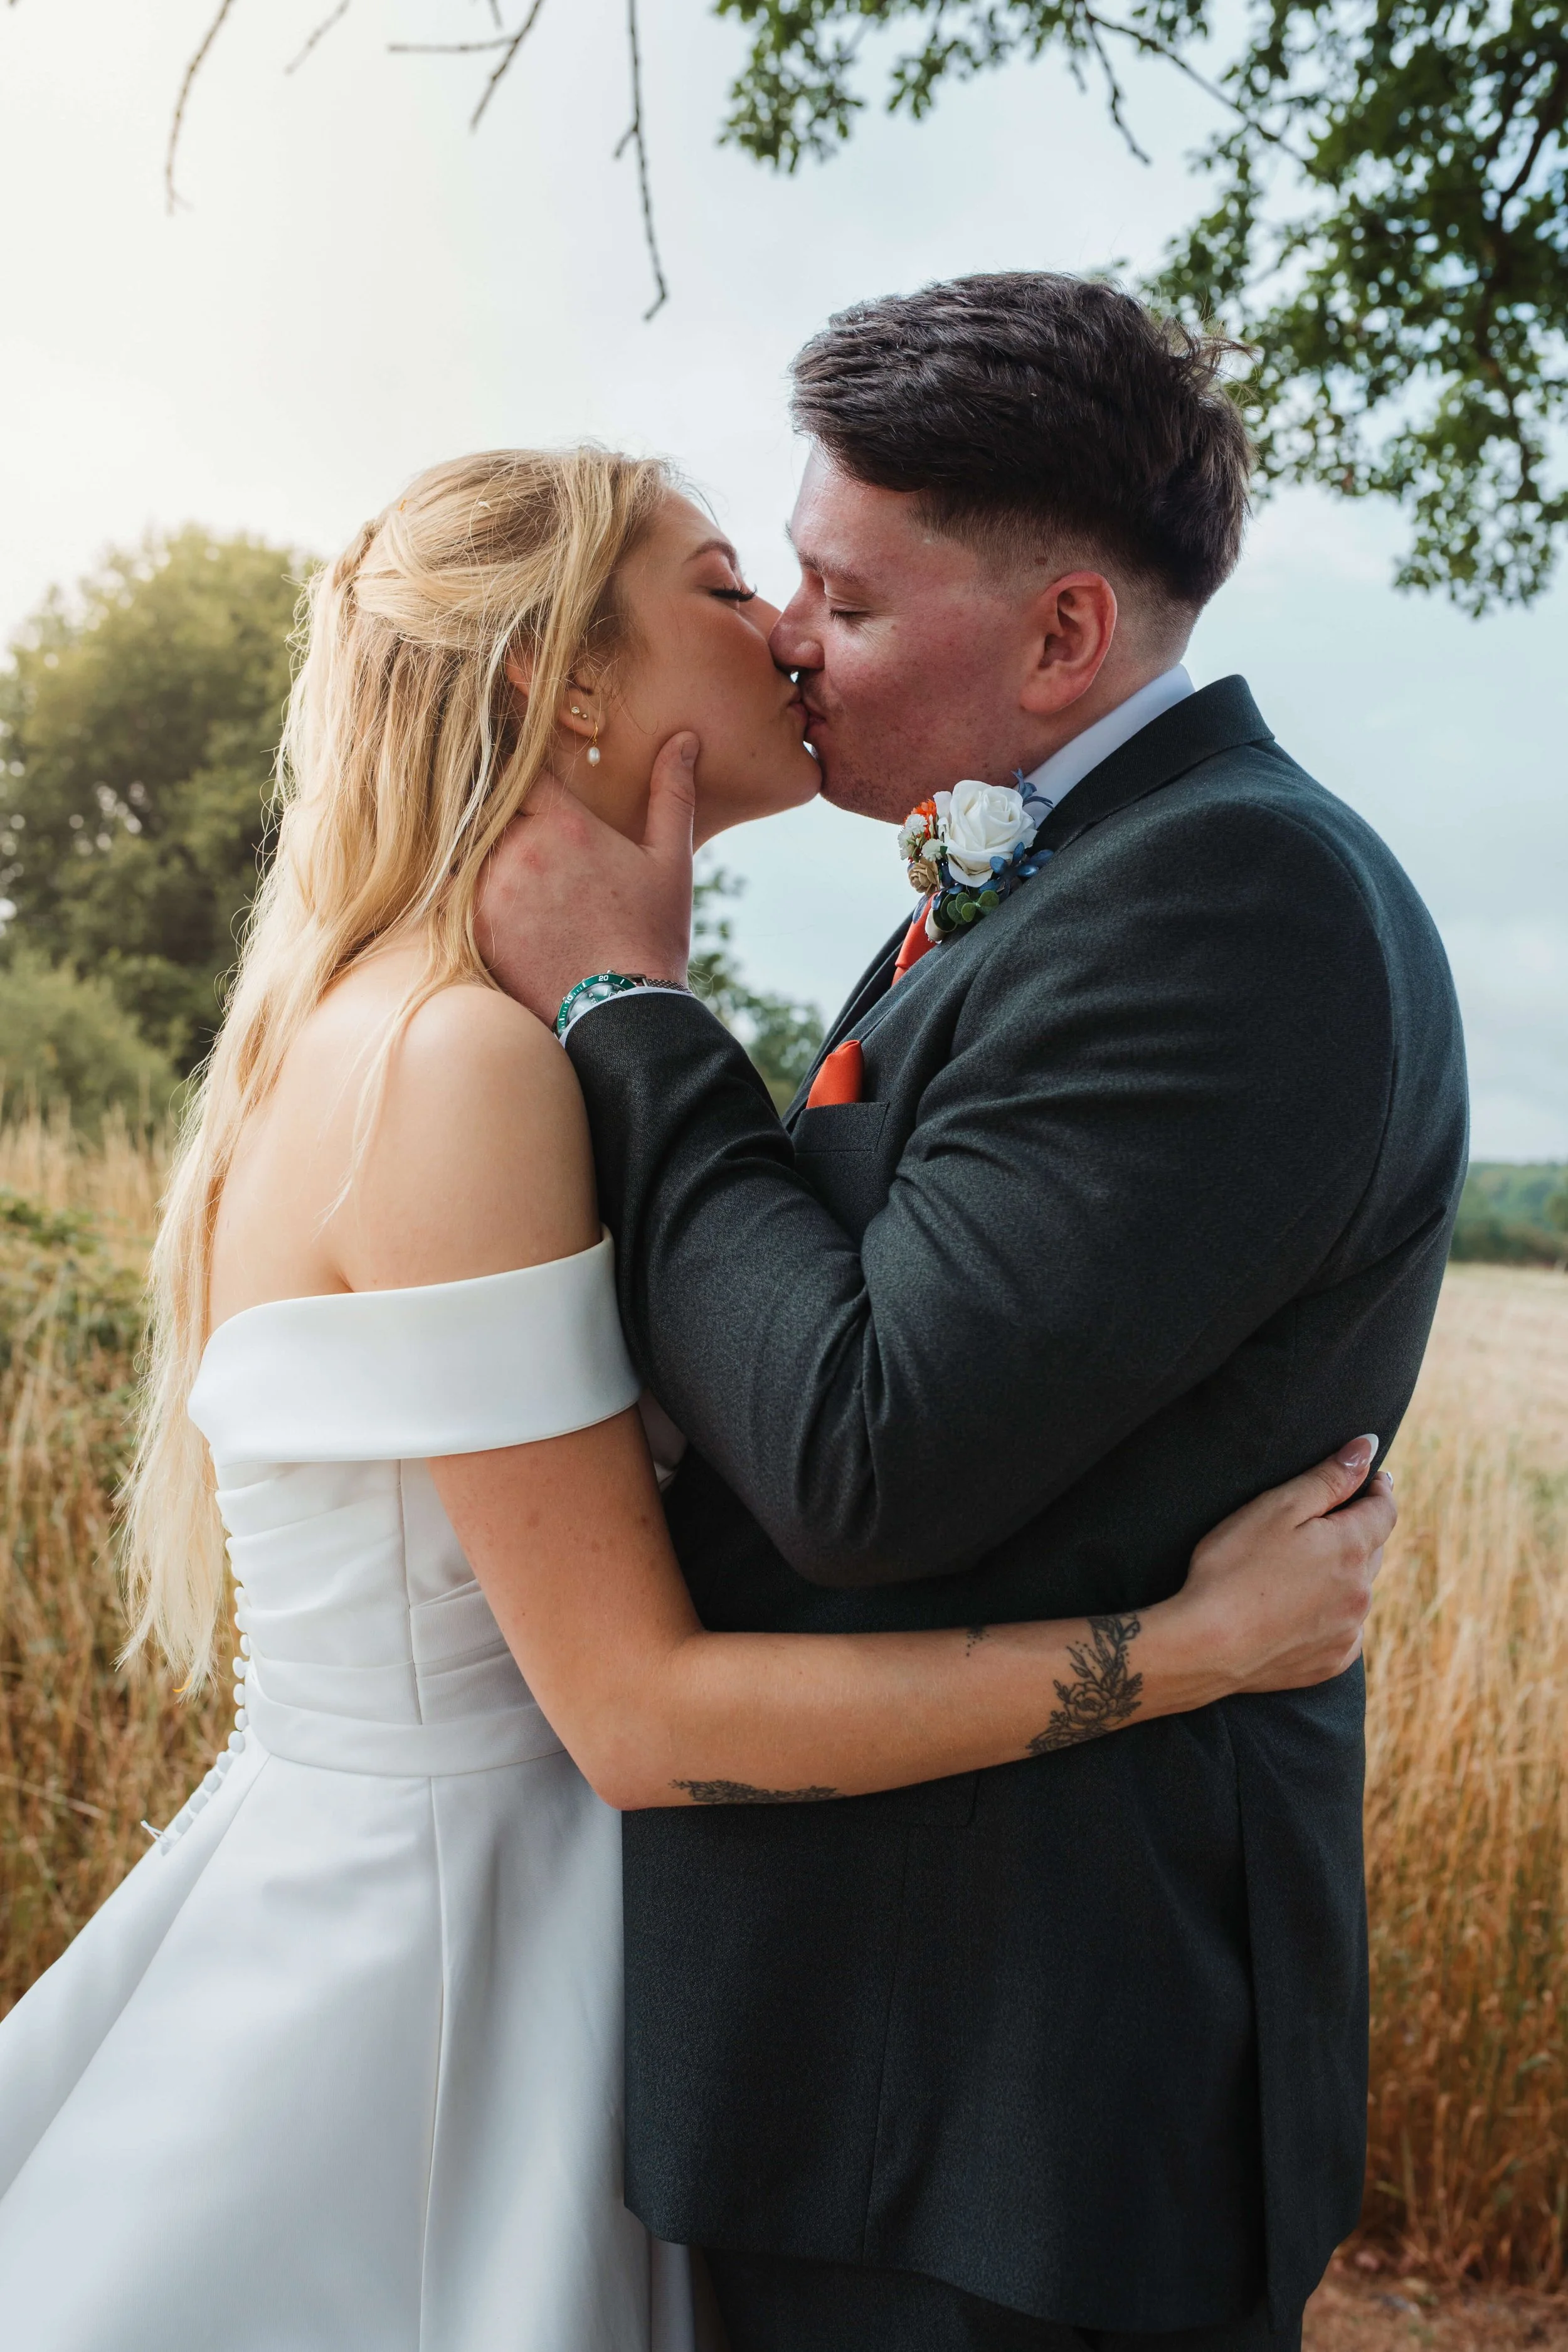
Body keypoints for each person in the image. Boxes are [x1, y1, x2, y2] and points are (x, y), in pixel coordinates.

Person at [0, 445, 1394, 2352]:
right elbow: (641, 1713)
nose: (788, 636)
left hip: (499, 1941)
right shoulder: (459, 1065)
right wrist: (1194, 1644)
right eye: (731, 583)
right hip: (440, 2009)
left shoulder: (407, 1025)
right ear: (562, 684)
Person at [477, 276, 1470, 2352]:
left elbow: (863, 1445)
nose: (783, 640)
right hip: (883, 2069)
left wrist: (632, 1013)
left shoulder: (1236, 906)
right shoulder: (1088, 875)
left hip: (1016, 2111)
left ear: (1060, 638)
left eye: (839, 597)